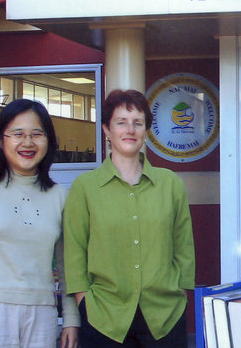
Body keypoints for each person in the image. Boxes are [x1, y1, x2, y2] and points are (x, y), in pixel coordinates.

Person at [63, 89, 195, 346]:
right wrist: (84, 301)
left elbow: (184, 247)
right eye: (120, 122)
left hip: (164, 315)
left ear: (146, 131)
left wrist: (181, 293)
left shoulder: (170, 184)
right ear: (106, 130)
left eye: (138, 123)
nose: (130, 130)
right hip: (104, 316)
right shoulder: (85, 187)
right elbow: (75, 250)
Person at [0, 99, 80, 348]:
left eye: (37, 134)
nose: (27, 143)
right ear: (0, 140)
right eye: (17, 134)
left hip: (42, 313)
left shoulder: (59, 196)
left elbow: (67, 265)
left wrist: (71, 319)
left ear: (49, 141)